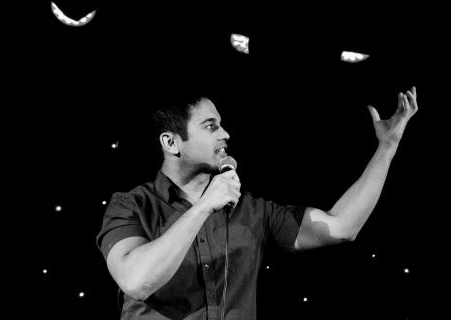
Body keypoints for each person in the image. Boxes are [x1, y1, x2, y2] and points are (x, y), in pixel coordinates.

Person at [96, 86, 418, 320]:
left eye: (221, 124)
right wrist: (204, 207)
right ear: (171, 142)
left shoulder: (251, 210)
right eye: (211, 126)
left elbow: (342, 226)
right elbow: (136, 281)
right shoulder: (132, 205)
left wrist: (387, 148)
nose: (226, 134)